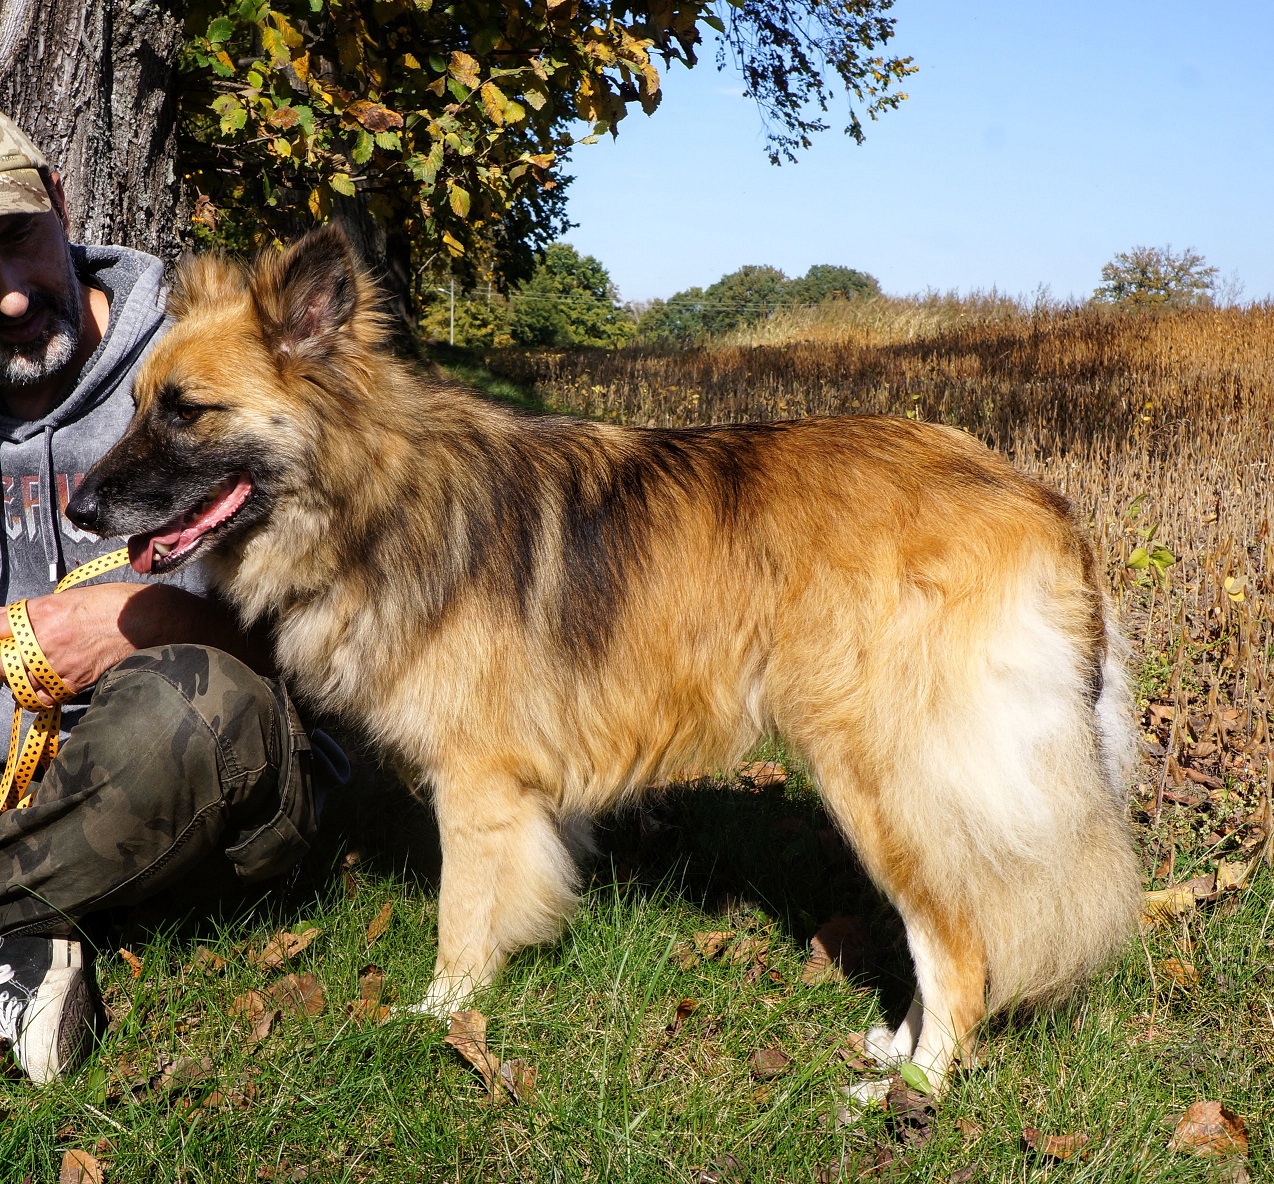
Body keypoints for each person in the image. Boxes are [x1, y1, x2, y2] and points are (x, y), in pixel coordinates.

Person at [0, 111, 328, 1083]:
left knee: (186, 704)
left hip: (216, 767)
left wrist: (151, 620)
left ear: (61, 205)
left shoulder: (209, 355)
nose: (9, 296)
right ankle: (32, 930)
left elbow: (346, 637)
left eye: (17, 236)